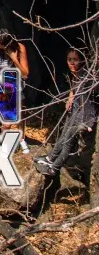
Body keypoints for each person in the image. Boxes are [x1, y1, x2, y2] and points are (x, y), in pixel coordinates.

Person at [34, 48, 99, 176]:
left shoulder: (87, 76)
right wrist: (70, 98)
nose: (72, 62)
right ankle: (50, 158)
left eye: (75, 59)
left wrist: (87, 122)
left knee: (68, 142)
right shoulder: (76, 74)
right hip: (74, 110)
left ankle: (54, 168)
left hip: (84, 116)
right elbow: (74, 89)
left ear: (82, 60)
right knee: (63, 135)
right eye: (69, 59)